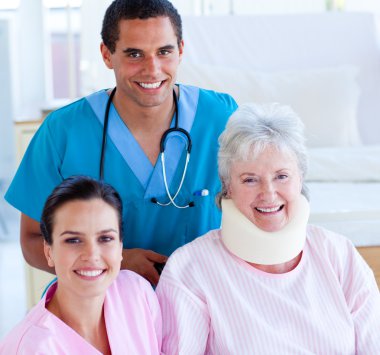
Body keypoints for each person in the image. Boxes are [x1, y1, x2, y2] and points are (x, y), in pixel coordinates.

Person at [4, 0, 237, 285]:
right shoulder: (63, 131)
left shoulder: (221, 118)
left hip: (199, 300)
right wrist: (115, 260)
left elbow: (259, 210)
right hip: (96, 302)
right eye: (134, 54)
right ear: (106, 54)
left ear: (181, 50)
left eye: (164, 51)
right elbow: (32, 241)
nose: (152, 70)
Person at [155, 103, 380, 354]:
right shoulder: (190, 269)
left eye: (282, 176)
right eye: (250, 180)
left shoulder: (339, 254)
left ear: (300, 179)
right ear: (227, 186)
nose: (269, 194)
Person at [0, 176, 162, 354]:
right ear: (49, 252)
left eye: (105, 238)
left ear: (120, 246)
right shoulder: (28, 347)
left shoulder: (138, 293)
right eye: (73, 240)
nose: (92, 255)